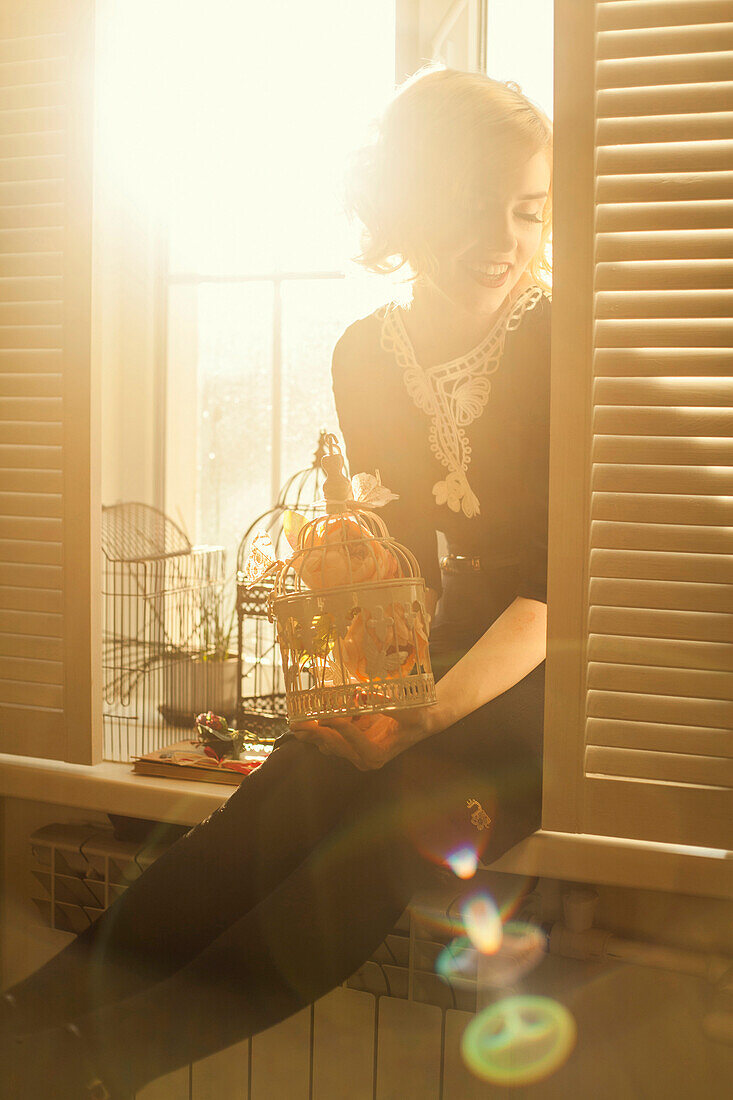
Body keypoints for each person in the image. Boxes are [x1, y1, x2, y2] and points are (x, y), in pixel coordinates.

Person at [1, 67, 552, 1099]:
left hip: (548, 680)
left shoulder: (561, 342)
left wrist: (419, 714)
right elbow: (399, 567)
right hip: (438, 656)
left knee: (383, 834)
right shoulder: (366, 353)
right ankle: (29, 1021)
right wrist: (355, 696)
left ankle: (85, 1065)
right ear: (407, 204)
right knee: (281, 797)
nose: (505, 237)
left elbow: (557, 596)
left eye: (526, 209)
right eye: (475, 204)